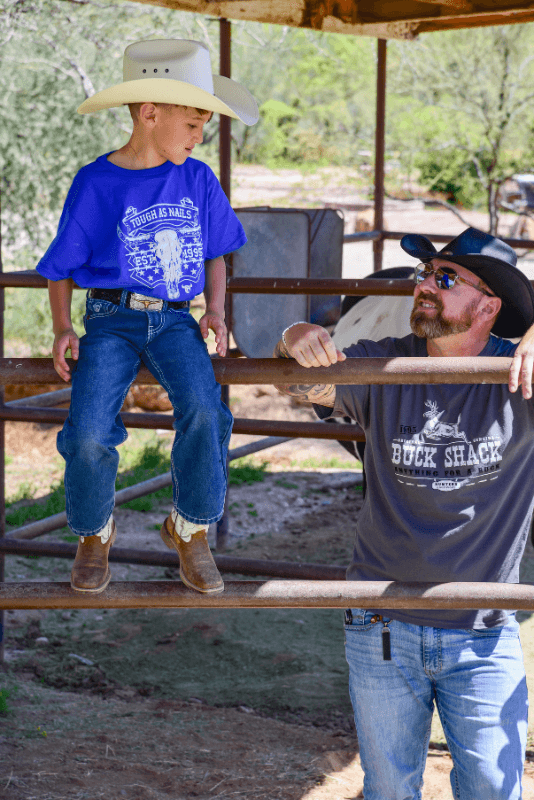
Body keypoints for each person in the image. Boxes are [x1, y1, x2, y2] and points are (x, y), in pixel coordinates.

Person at [273, 227, 534, 799]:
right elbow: (297, 383)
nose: (424, 286)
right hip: (382, 624)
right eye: (424, 274)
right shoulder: (379, 363)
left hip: (483, 629)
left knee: (495, 787)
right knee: (389, 789)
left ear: (489, 306)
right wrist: (293, 338)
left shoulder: (522, 375)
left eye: (445, 278)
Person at [36, 38, 258, 595]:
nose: (199, 135)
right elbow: (60, 264)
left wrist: (216, 309)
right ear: (150, 113)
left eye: (203, 124)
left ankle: (190, 529)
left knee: (207, 411)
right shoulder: (96, 182)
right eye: (192, 122)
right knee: (87, 431)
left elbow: (216, 252)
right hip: (110, 320)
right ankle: (92, 533)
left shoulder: (199, 179)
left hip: (177, 321)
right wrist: (64, 327)